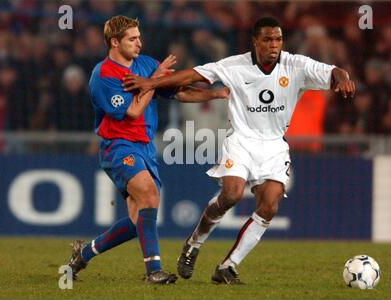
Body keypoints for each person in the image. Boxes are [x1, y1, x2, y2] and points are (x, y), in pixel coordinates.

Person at [123, 17, 355, 284]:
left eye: (278, 39)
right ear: (255, 41)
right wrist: (151, 84)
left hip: (274, 145)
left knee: (269, 205)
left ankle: (227, 267)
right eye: (267, 39)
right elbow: (193, 75)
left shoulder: (296, 65)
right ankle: (195, 242)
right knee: (231, 194)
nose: (274, 45)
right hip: (241, 140)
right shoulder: (234, 66)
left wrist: (343, 78)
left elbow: (335, 72)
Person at [66, 15, 229, 285]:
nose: (139, 43)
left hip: (145, 147)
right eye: (133, 38)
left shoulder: (146, 64)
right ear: (115, 42)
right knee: (150, 195)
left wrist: (216, 94)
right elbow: (132, 111)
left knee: (136, 221)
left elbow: (177, 92)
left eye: (139, 37)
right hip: (118, 146)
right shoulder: (103, 75)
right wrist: (153, 80)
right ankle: (153, 271)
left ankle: (83, 254)